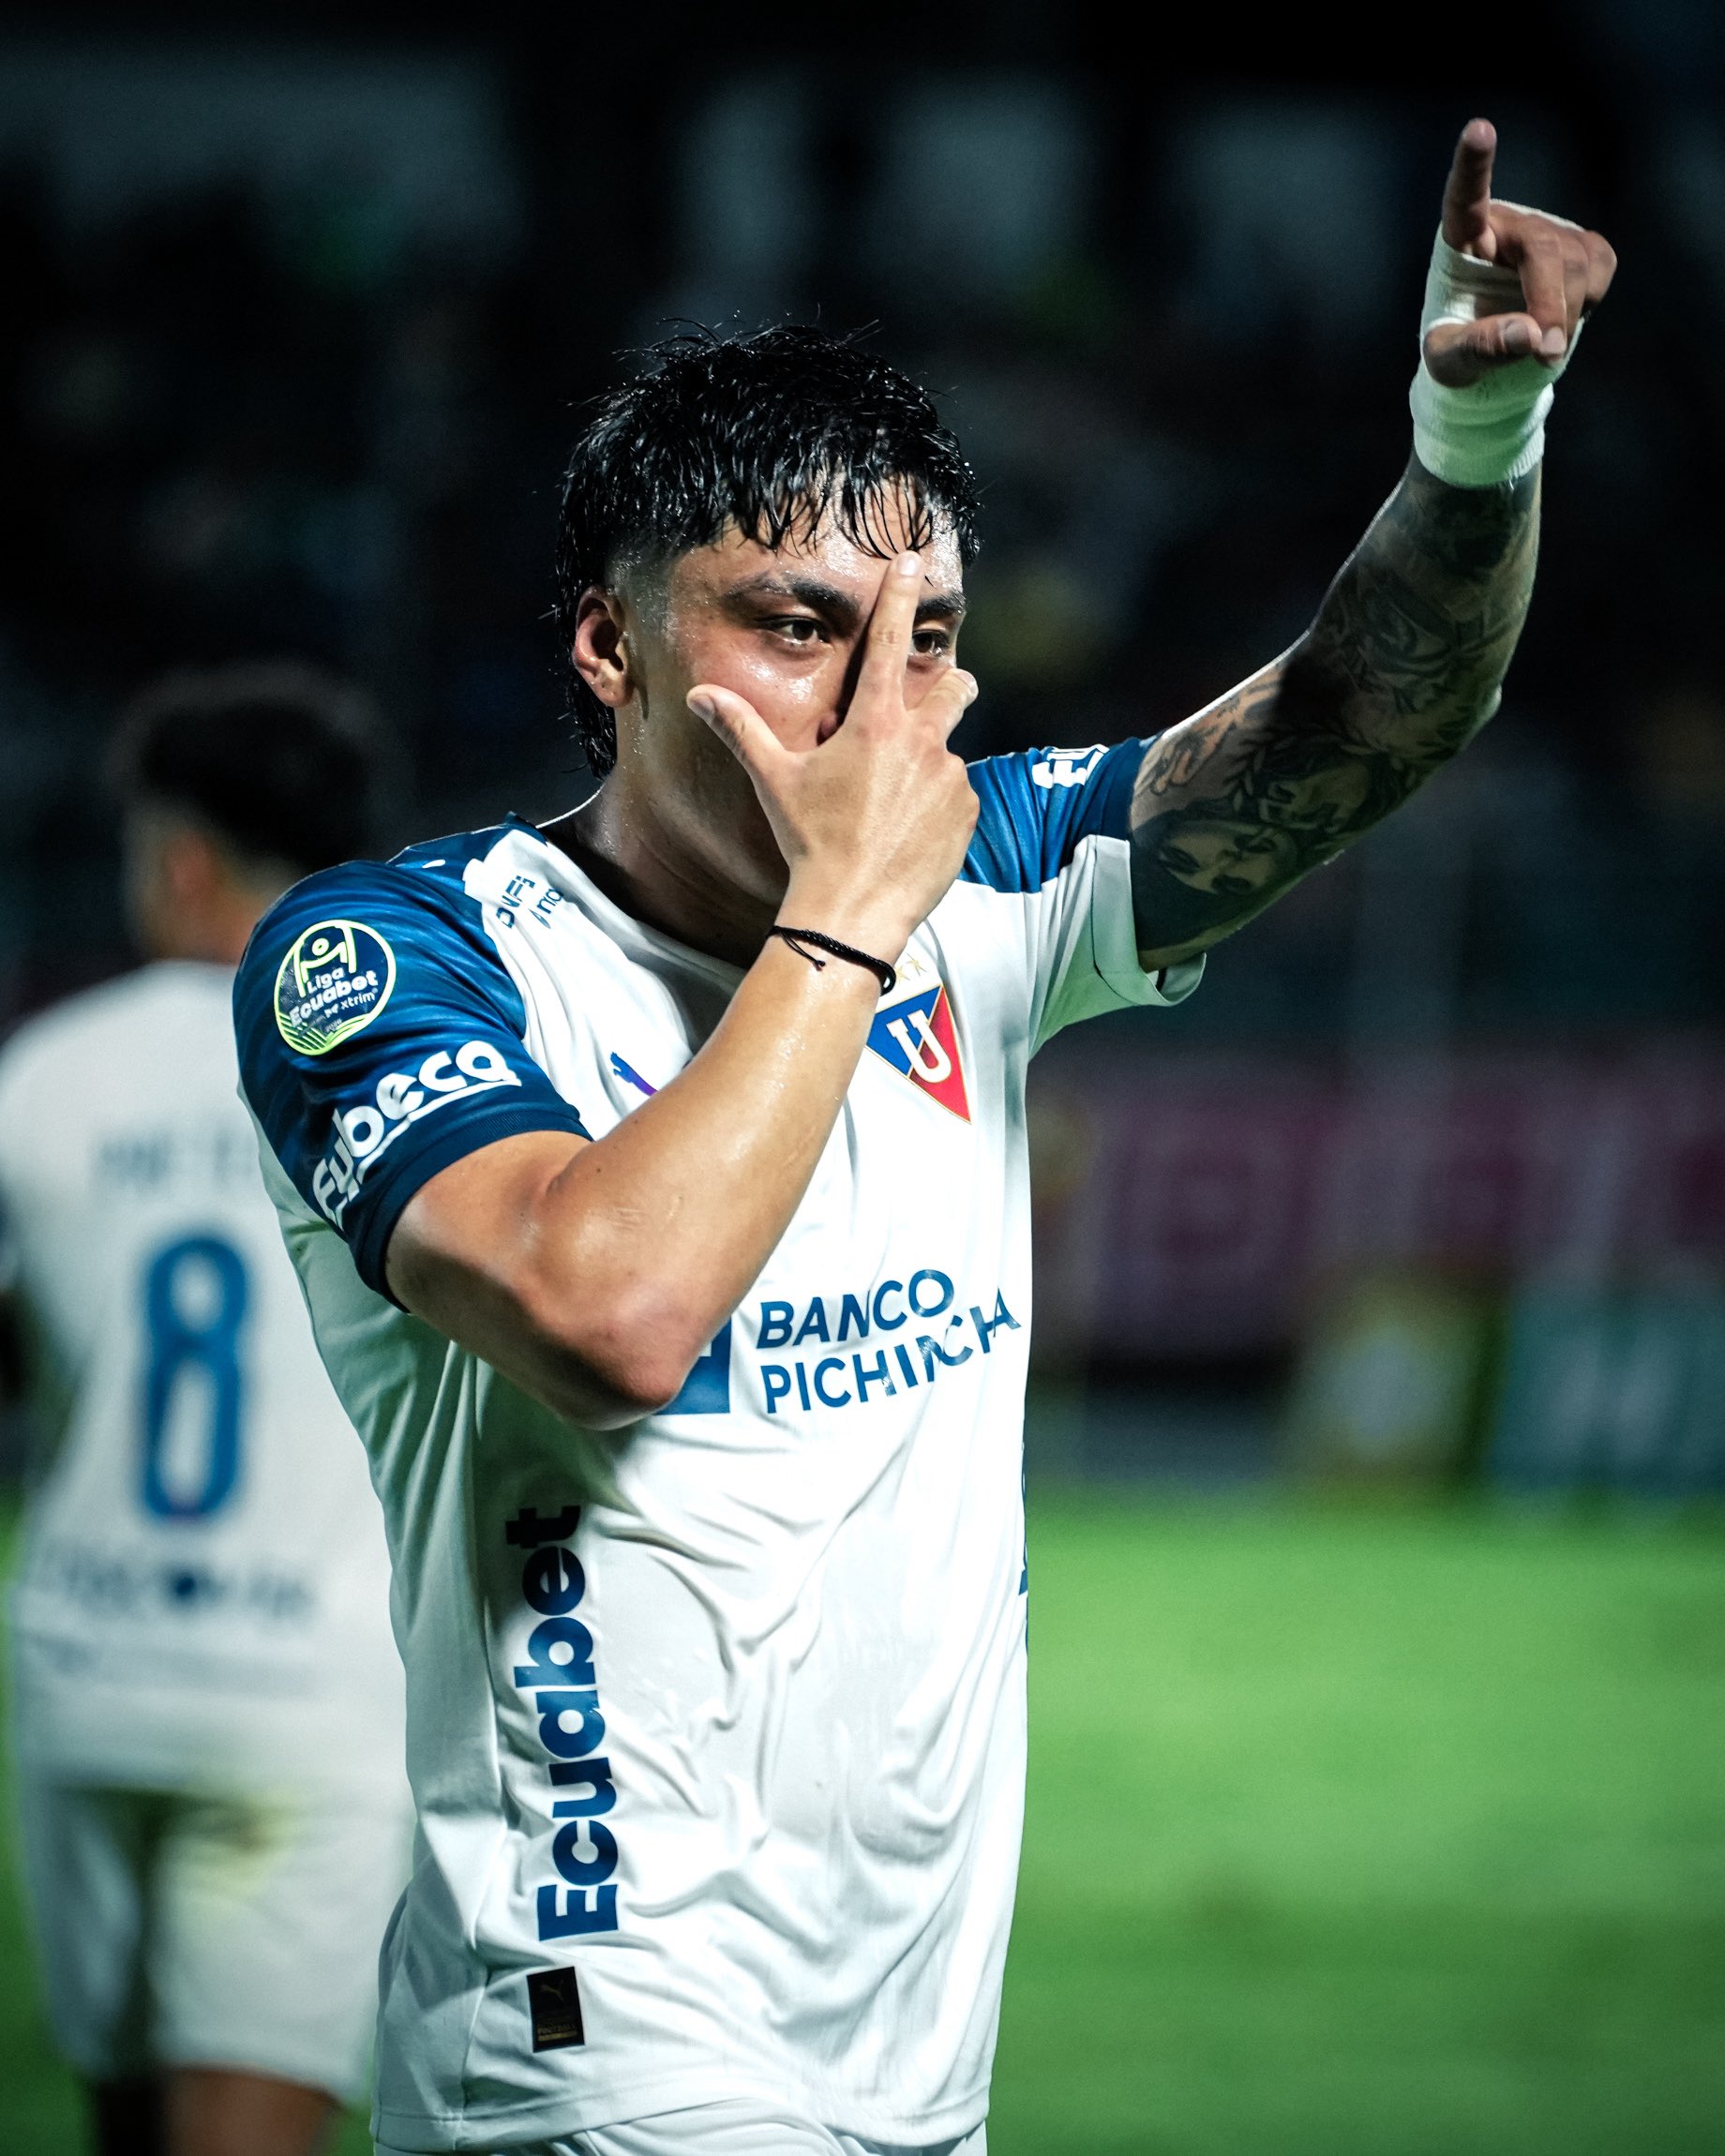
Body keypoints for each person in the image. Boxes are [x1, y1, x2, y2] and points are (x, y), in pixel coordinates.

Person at [232, 124, 1613, 2156]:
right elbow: (609, 1307)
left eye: (934, 642)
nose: (884, 715)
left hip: (909, 2062)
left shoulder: (990, 877)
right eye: (795, 627)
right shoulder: (394, 957)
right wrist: (841, 917)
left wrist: (1468, 436)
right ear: (608, 649)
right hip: (600, 2041)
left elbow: (1355, 721)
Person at [0, 665, 412, 2156]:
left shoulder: (45, 1078)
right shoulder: (402, 1069)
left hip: (88, 1662)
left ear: (178, 860)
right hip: (307, 1692)